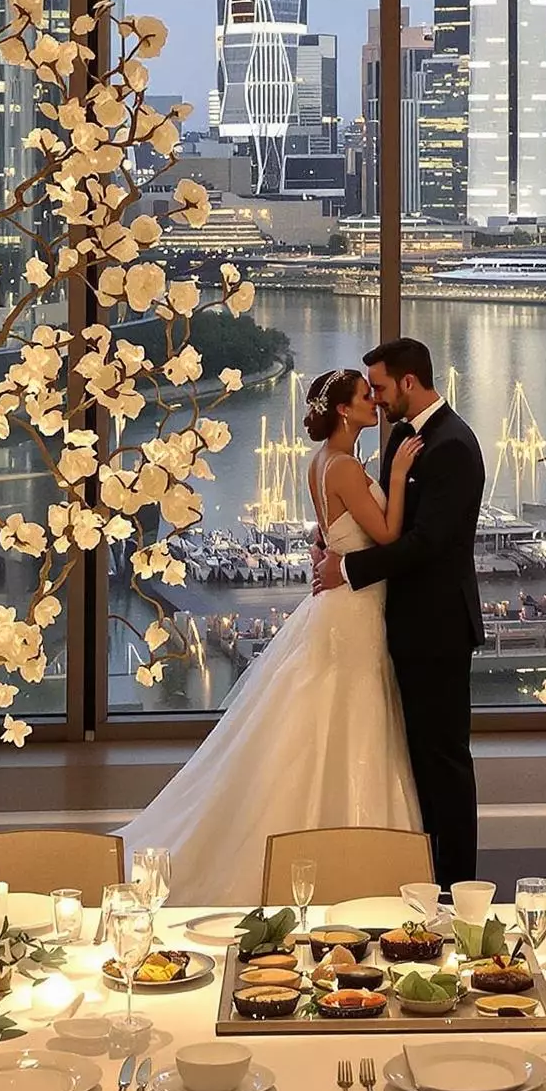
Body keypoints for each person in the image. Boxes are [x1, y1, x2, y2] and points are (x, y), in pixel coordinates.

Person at [120, 367, 423, 904]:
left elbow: (325, 530)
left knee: (326, 716)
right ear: (345, 410)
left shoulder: (319, 463)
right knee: (352, 715)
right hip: (353, 610)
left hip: (339, 604)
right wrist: (397, 477)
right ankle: (347, 855)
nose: (374, 404)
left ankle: (330, 840)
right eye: (364, 397)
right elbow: (389, 534)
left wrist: (330, 550)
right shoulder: (348, 466)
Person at [314, 336, 484, 885]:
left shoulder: (453, 444)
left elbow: (429, 541)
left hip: (438, 629)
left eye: (382, 388)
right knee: (415, 765)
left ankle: (458, 887)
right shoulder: (402, 442)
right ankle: (422, 874)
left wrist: (348, 570)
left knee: (444, 763)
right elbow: (380, 525)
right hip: (398, 627)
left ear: (409, 382)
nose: (379, 399)